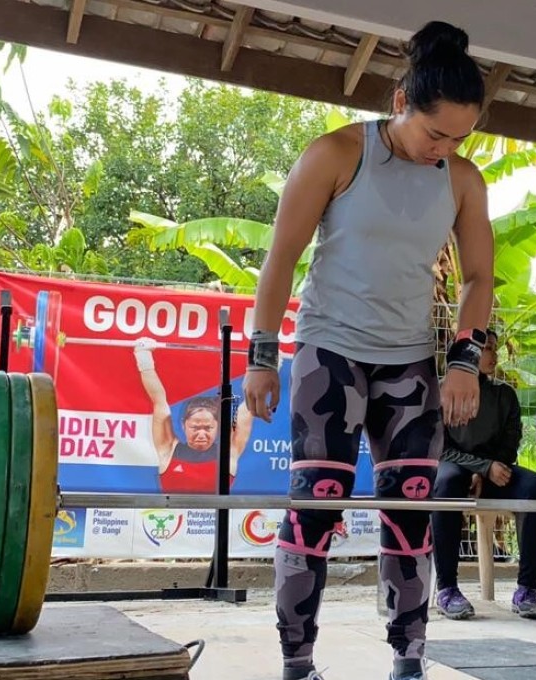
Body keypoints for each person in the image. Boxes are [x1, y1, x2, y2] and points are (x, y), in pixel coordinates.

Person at [242, 20, 494, 680]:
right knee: (316, 506)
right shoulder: (336, 153)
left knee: (410, 514)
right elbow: (281, 260)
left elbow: (478, 278)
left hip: (409, 362)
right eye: (435, 132)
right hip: (331, 353)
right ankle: (298, 663)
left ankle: (408, 661)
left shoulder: (462, 180)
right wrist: (262, 359)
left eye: (459, 138)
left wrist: (464, 360)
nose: (443, 147)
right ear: (400, 101)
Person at [431, 329, 536, 621]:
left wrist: (491, 469)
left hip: (494, 470)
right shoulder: (440, 391)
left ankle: (526, 589)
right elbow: (438, 448)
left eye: (494, 348)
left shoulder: (504, 395)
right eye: (486, 348)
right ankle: (447, 588)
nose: (493, 354)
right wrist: (479, 468)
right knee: (447, 482)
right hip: (454, 467)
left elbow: (509, 443)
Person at [135, 337, 254, 493]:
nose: (201, 433)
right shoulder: (168, 448)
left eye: (207, 427)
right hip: (173, 518)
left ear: (217, 427)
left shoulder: (228, 452)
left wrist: (262, 367)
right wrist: (144, 358)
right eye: (195, 427)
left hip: (217, 518)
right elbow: (159, 401)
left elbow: (249, 406)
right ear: (184, 425)